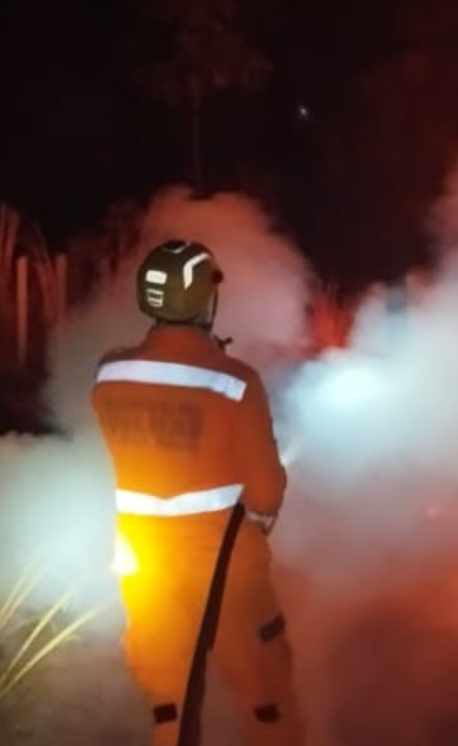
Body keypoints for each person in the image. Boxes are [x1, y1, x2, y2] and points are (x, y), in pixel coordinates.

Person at [91, 239, 304, 746]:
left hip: (143, 563)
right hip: (225, 565)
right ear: (203, 301)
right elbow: (266, 493)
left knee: (171, 703)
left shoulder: (109, 373)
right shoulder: (234, 382)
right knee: (266, 699)